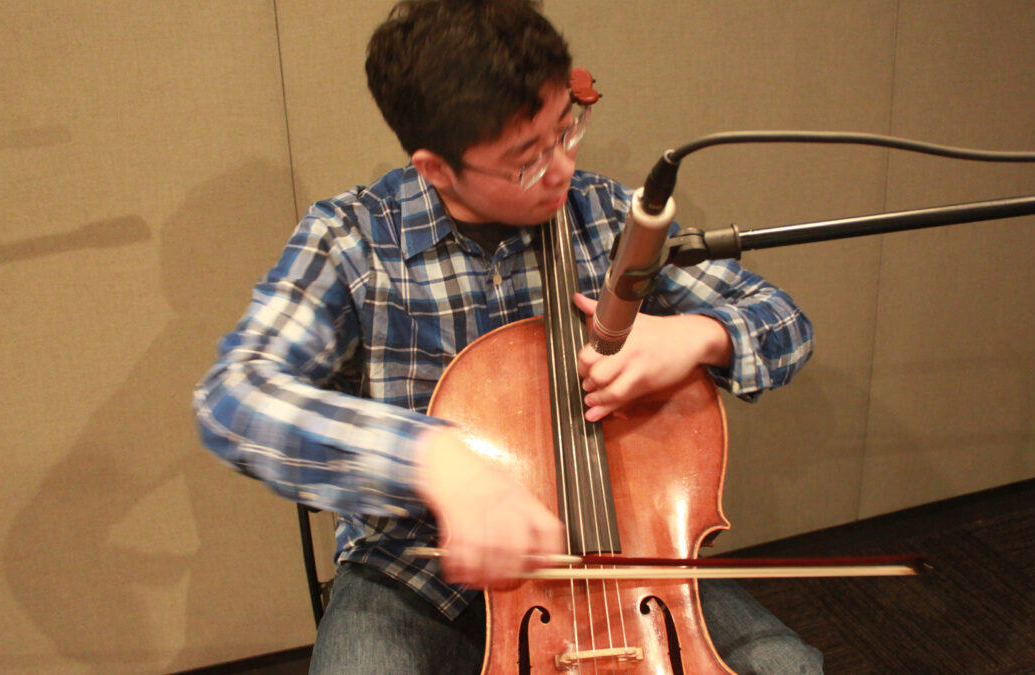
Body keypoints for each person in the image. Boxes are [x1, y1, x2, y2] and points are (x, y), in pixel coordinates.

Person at [193, 0, 821, 672]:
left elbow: (782, 321)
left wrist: (698, 336)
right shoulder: (352, 240)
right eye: (525, 159)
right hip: (416, 565)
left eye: (565, 129)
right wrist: (435, 463)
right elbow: (234, 399)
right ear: (436, 168)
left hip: (622, 554)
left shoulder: (606, 215)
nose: (560, 169)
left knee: (784, 664)